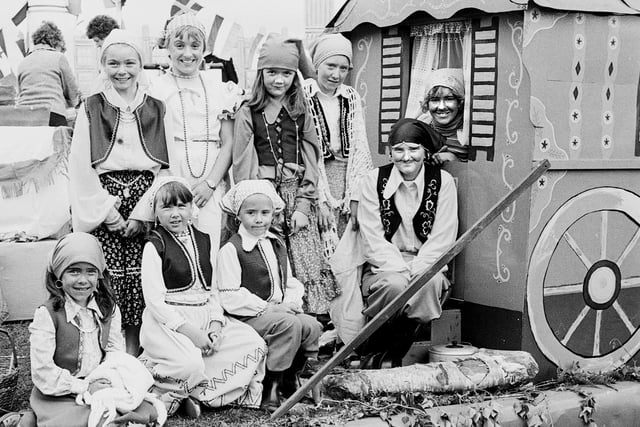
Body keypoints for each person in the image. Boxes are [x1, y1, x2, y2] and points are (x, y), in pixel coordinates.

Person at [68, 29, 171, 355]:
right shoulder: (91, 107)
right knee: (109, 278)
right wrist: (107, 211)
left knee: (144, 277)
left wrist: (144, 211)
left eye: (130, 63)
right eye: (113, 63)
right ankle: (107, 351)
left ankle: (140, 351)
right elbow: (81, 165)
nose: (122, 70)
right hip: (104, 197)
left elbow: (164, 167)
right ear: (103, 65)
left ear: (141, 65)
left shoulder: (156, 107)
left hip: (145, 197)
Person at [331, 118, 458, 368]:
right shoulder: (373, 181)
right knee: (394, 285)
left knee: (428, 283)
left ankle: (388, 355)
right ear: (390, 153)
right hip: (383, 266)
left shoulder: (442, 182)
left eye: (413, 149)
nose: (406, 156)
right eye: (399, 150)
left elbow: (443, 236)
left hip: (426, 262)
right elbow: (372, 237)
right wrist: (400, 269)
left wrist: (418, 269)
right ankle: (378, 349)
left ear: (424, 152)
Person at [139, 177, 266, 418]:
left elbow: (213, 290)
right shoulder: (154, 245)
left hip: (204, 316)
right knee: (190, 364)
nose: (175, 214)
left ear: (191, 208)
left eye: (181, 206)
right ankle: (164, 392)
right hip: (170, 323)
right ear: (155, 211)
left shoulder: (204, 239)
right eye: (167, 207)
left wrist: (215, 325)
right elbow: (154, 302)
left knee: (253, 343)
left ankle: (198, 395)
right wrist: (192, 334)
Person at [233, 34, 339, 318]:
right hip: (263, 196)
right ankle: (279, 323)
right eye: (272, 73)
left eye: (287, 74)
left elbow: (311, 158)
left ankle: (313, 327)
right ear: (261, 73)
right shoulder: (247, 111)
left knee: (306, 259)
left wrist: (305, 205)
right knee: (271, 259)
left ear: (295, 76)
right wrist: (255, 205)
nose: (279, 80)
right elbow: (242, 164)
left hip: (296, 194)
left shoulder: (300, 111)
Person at [27, 232, 160, 427]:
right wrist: (85, 387)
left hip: (99, 382)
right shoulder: (48, 315)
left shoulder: (108, 308)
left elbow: (114, 352)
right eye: (73, 271)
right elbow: (42, 371)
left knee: (139, 413)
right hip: (61, 391)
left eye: (90, 272)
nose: (83, 280)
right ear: (58, 275)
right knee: (91, 422)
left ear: (99, 275)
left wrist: (110, 380)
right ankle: (32, 417)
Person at [217, 180, 322, 412]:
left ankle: (289, 377)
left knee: (310, 325)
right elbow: (229, 295)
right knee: (288, 324)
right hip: (247, 315)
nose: (258, 219)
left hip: (279, 311)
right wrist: (270, 308)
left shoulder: (275, 243)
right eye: (251, 213)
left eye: (265, 213)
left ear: (273, 214)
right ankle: (269, 388)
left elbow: (289, 282)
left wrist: (290, 303)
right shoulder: (232, 249)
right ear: (238, 216)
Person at [147, 13, 241, 256]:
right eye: (179, 45)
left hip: (209, 176)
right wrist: (172, 183)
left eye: (194, 46)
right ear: (167, 47)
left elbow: (229, 141)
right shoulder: (155, 88)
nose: (187, 54)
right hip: (171, 174)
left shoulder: (219, 88)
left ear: (204, 49)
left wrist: (210, 183)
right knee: (175, 250)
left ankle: (211, 294)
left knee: (209, 249)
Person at [304, 33, 374, 274]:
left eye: (343, 68)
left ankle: (348, 301)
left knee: (347, 239)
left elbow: (359, 144)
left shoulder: (350, 96)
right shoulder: (304, 95)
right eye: (330, 66)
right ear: (316, 65)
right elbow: (304, 150)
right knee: (318, 236)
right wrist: (319, 199)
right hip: (315, 176)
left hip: (346, 175)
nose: (336, 74)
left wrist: (355, 195)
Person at [16, 21, 80, 127]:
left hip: (24, 115)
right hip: (52, 113)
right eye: (61, 49)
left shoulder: (23, 62)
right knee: (56, 143)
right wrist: (76, 102)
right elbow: (72, 92)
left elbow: (20, 91)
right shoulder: (58, 57)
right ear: (56, 43)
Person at [417, 68, 468, 162]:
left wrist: (453, 159)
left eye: (449, 99)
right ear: (427, 103)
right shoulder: (422, 127)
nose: (441, 107)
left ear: (460, 102)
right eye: (435, 100)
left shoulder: (468, 132)